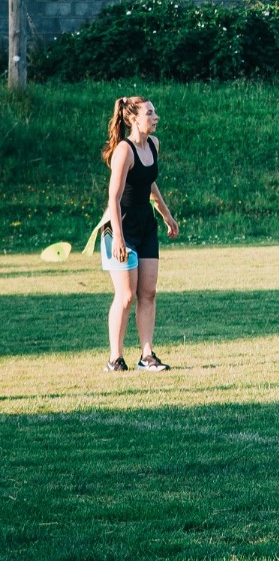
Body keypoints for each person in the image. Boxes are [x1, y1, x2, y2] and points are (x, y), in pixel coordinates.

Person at [101, 96, 179, 372]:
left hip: (146, 226)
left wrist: (166, 214)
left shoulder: (154, 145)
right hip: (121, 228)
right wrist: (118, 238)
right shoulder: (125, 150)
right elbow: (114, 196)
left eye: (155, 111)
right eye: (150, 112)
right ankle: (115, 359)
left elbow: (150, 184)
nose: (156, 116)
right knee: (126, 296)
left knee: (149, 292)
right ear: (134, 118)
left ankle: (147, 356)